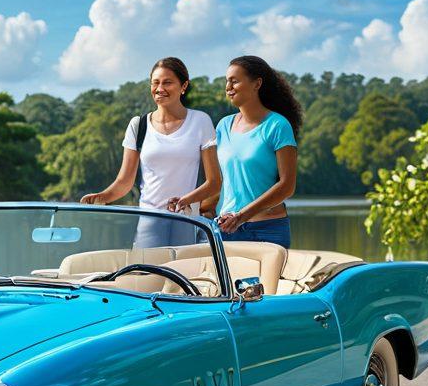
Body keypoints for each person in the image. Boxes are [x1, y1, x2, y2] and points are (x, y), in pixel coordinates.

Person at [80, 57, 221, 247]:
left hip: (187, 220)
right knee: (149, 275)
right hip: (149, 218)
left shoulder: (201, 121)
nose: (160, 88)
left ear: (184, 85)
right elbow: (125, 181)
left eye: (167, 82)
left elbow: (214, 183)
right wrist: (102, 197)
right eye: (155, 83)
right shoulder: (138, 126)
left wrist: (187, 200)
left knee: (184, 274)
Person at [212, 55, 302, 249]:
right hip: (225, 230)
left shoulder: (278, 126)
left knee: (264, 282)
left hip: (267, 229)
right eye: (226, 81)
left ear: (257, 84)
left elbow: (287, 186)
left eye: (234, 81)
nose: (228, 87)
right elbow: (220, 180)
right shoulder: (223, 126)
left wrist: (241, 216)